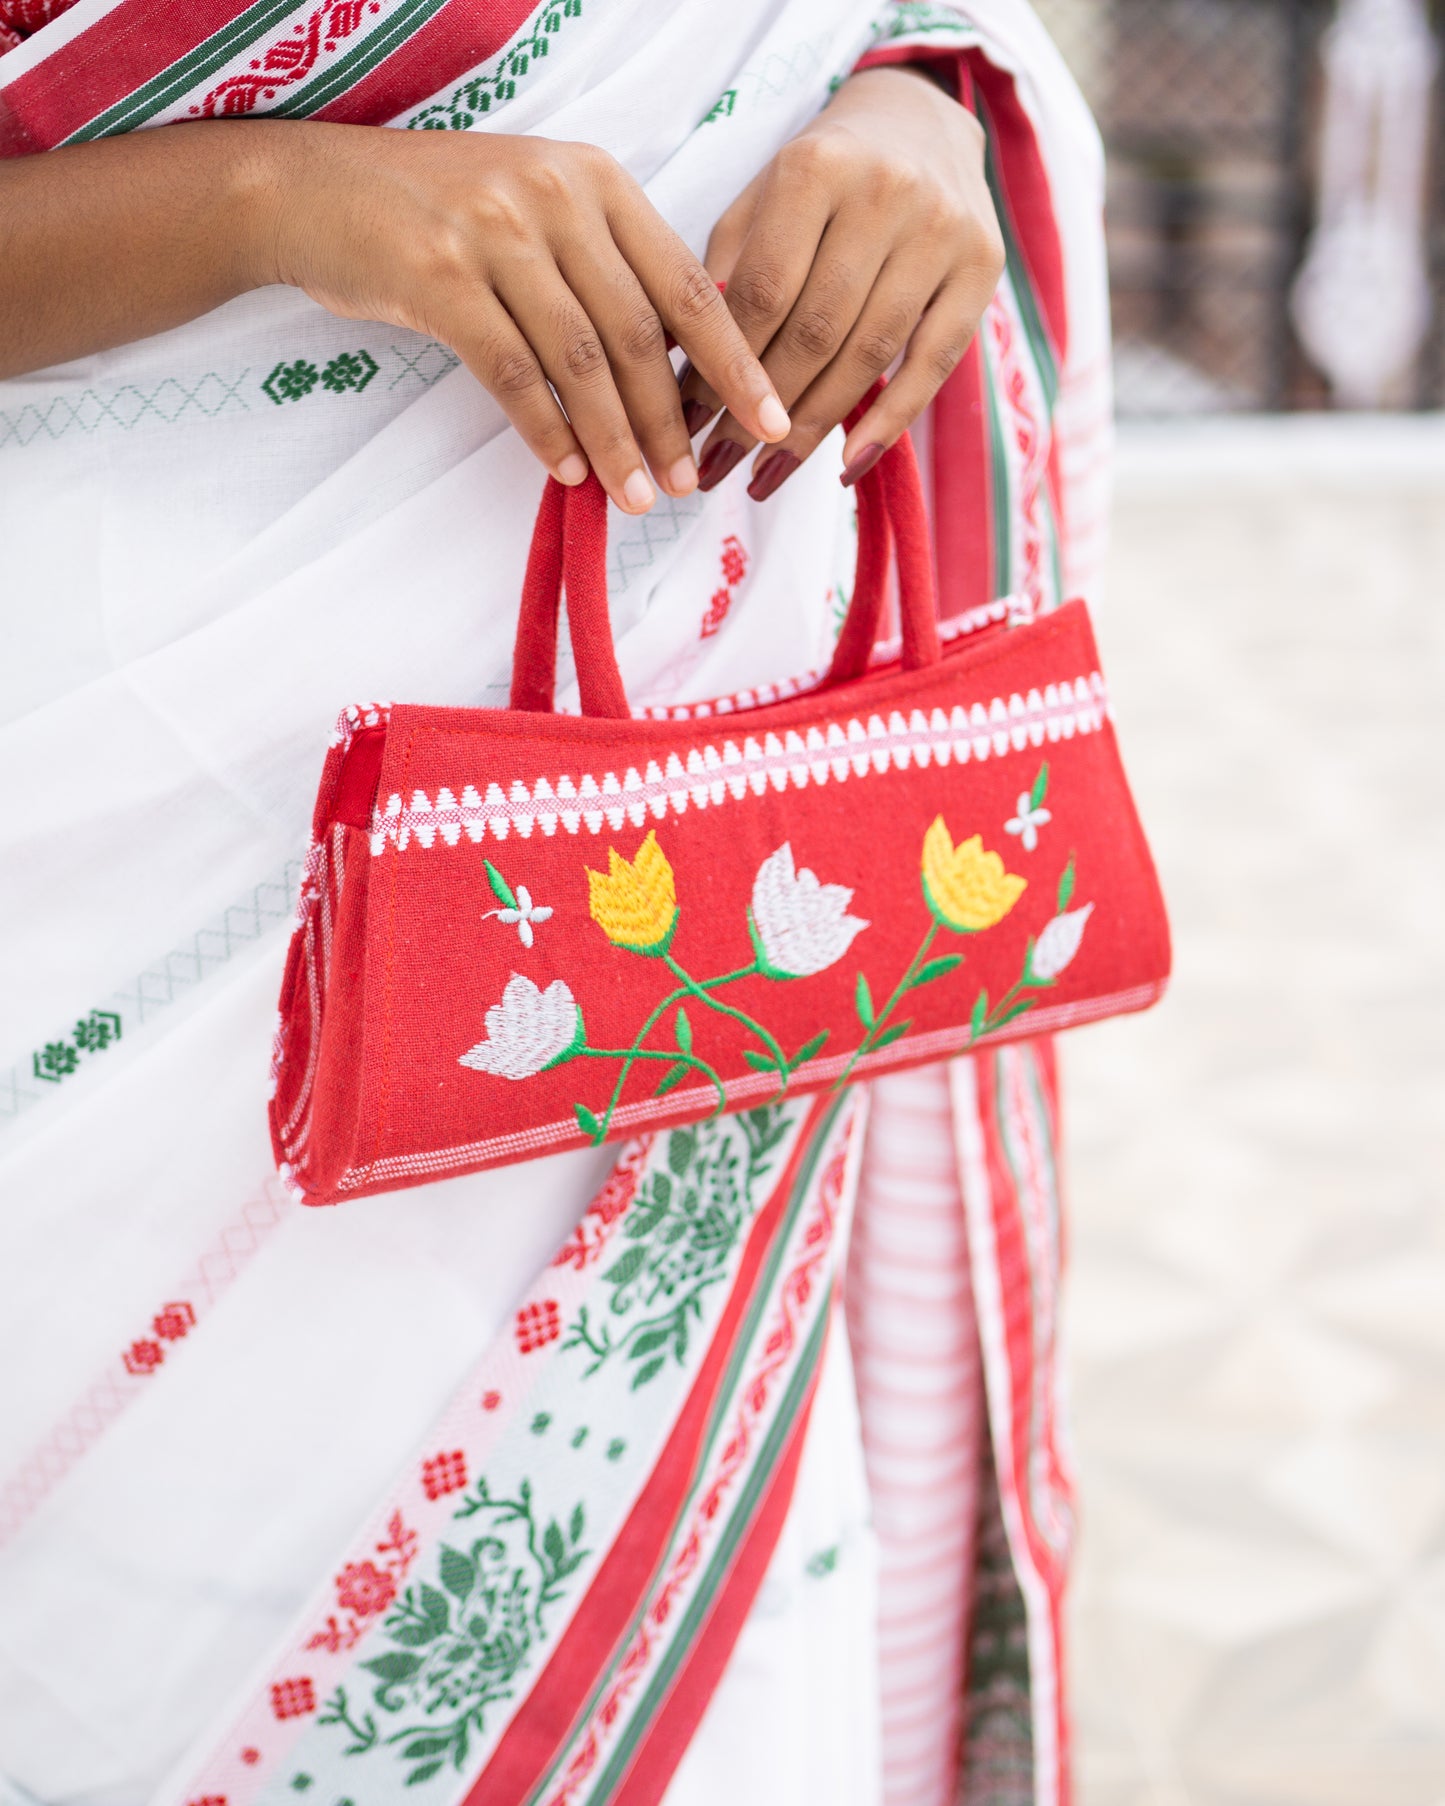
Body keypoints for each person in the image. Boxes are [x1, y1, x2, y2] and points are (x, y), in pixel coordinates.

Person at [0, 4, 1110, 1802]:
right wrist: (269, 197)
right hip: (116, 840)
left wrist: (925, 107)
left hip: (710, 772)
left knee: (689, 1593)